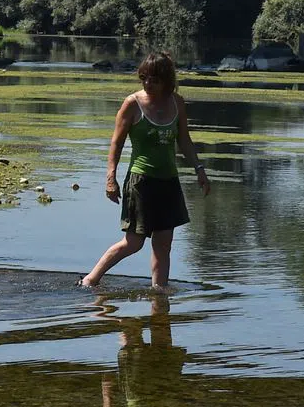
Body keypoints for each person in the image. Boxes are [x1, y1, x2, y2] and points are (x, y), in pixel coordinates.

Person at [80, 52, 209, 289]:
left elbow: (185, 140)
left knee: (163, 245)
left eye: (154, 79)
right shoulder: (132, 104)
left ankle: (159, 297)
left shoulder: (177, 102)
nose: (148, 84)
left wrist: (199, 169)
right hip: (141, 182)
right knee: (134, 242)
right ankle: (90, 279)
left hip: (169, 182)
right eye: (144, 78)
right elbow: (116, 143)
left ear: (166, 80)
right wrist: (111, 178)